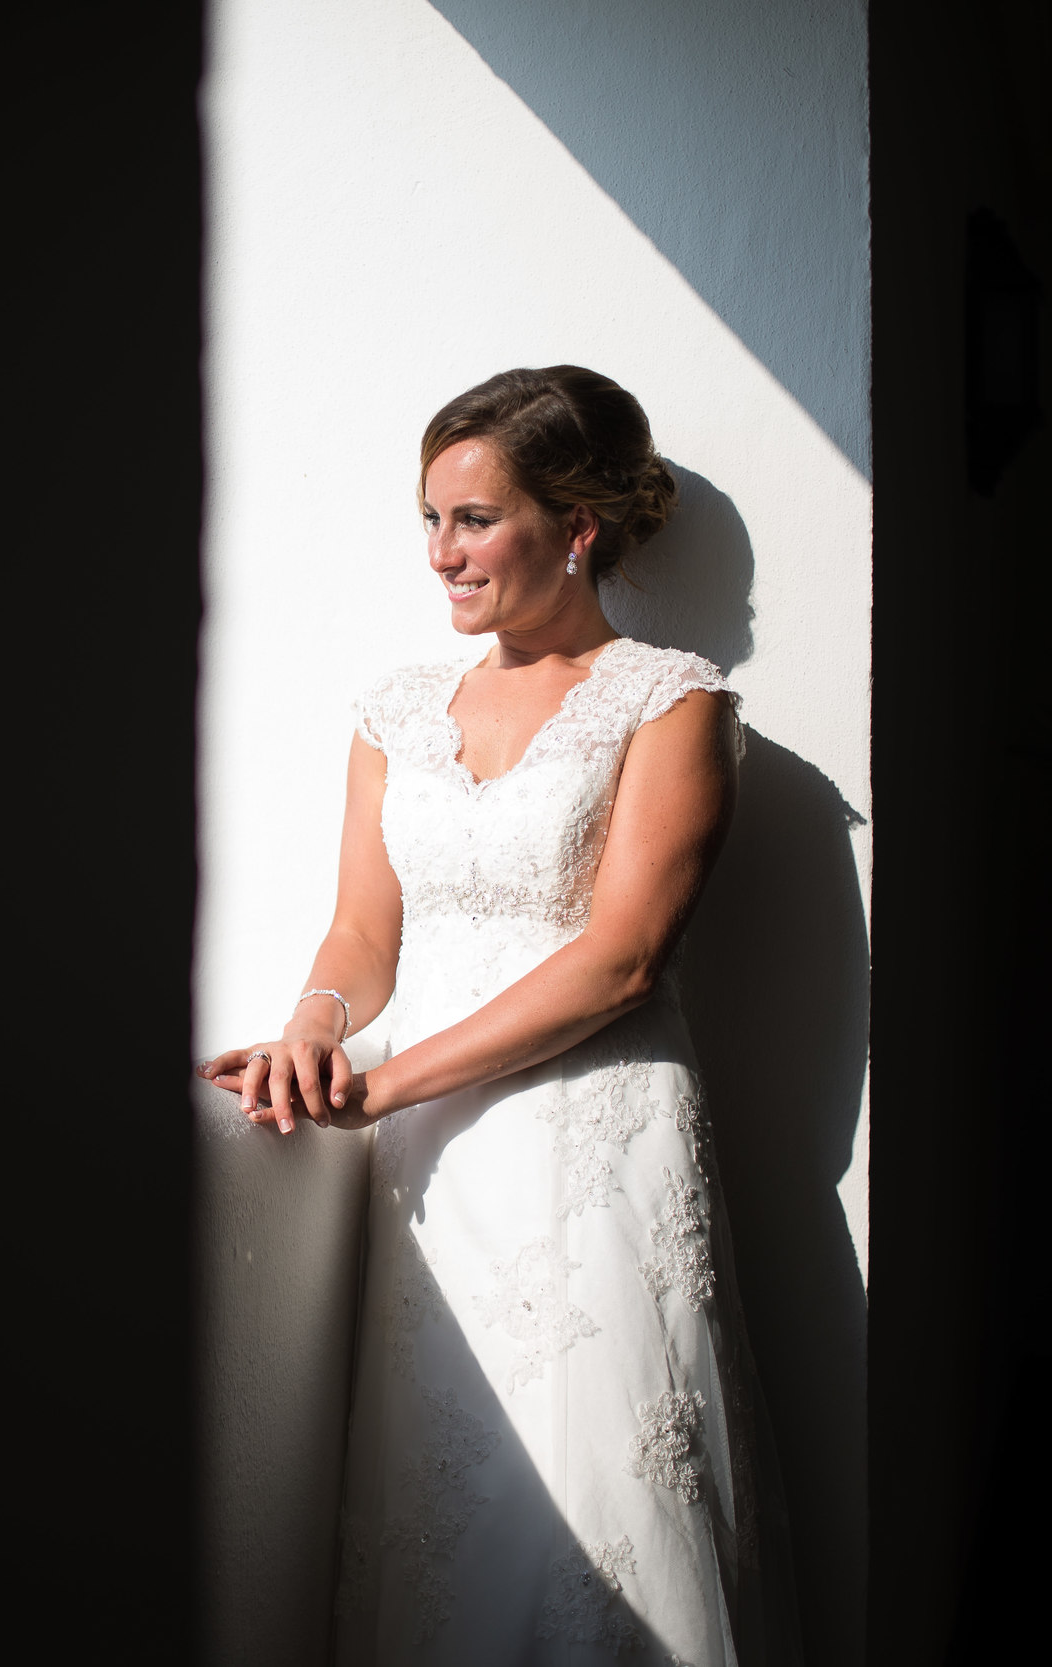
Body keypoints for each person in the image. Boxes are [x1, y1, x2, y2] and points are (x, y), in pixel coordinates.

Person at [201, 367, 800, 1664]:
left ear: (574, 525)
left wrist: (384, 1083)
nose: (442, 555)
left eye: (472, 520)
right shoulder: (397, 710)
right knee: (448, 1508)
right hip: (437, 1170)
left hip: (594, 1150)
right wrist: (314, 1025)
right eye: (428, 520)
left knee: (602, 1493)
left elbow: (624, 959)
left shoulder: (670, 701)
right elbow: (366, 933)